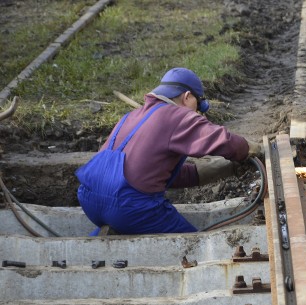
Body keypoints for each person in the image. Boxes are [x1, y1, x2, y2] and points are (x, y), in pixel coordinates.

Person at [76, 67, 262, 235]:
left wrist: (219, 169)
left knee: (126, 224)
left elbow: (153, 174)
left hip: (89, 200)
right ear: (187, 96)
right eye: (197, 106)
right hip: (130, 206)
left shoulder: (132, 116)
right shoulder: (177, 116)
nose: (197, 114)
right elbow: (221, 139)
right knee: (192, 246)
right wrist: (252, 149)